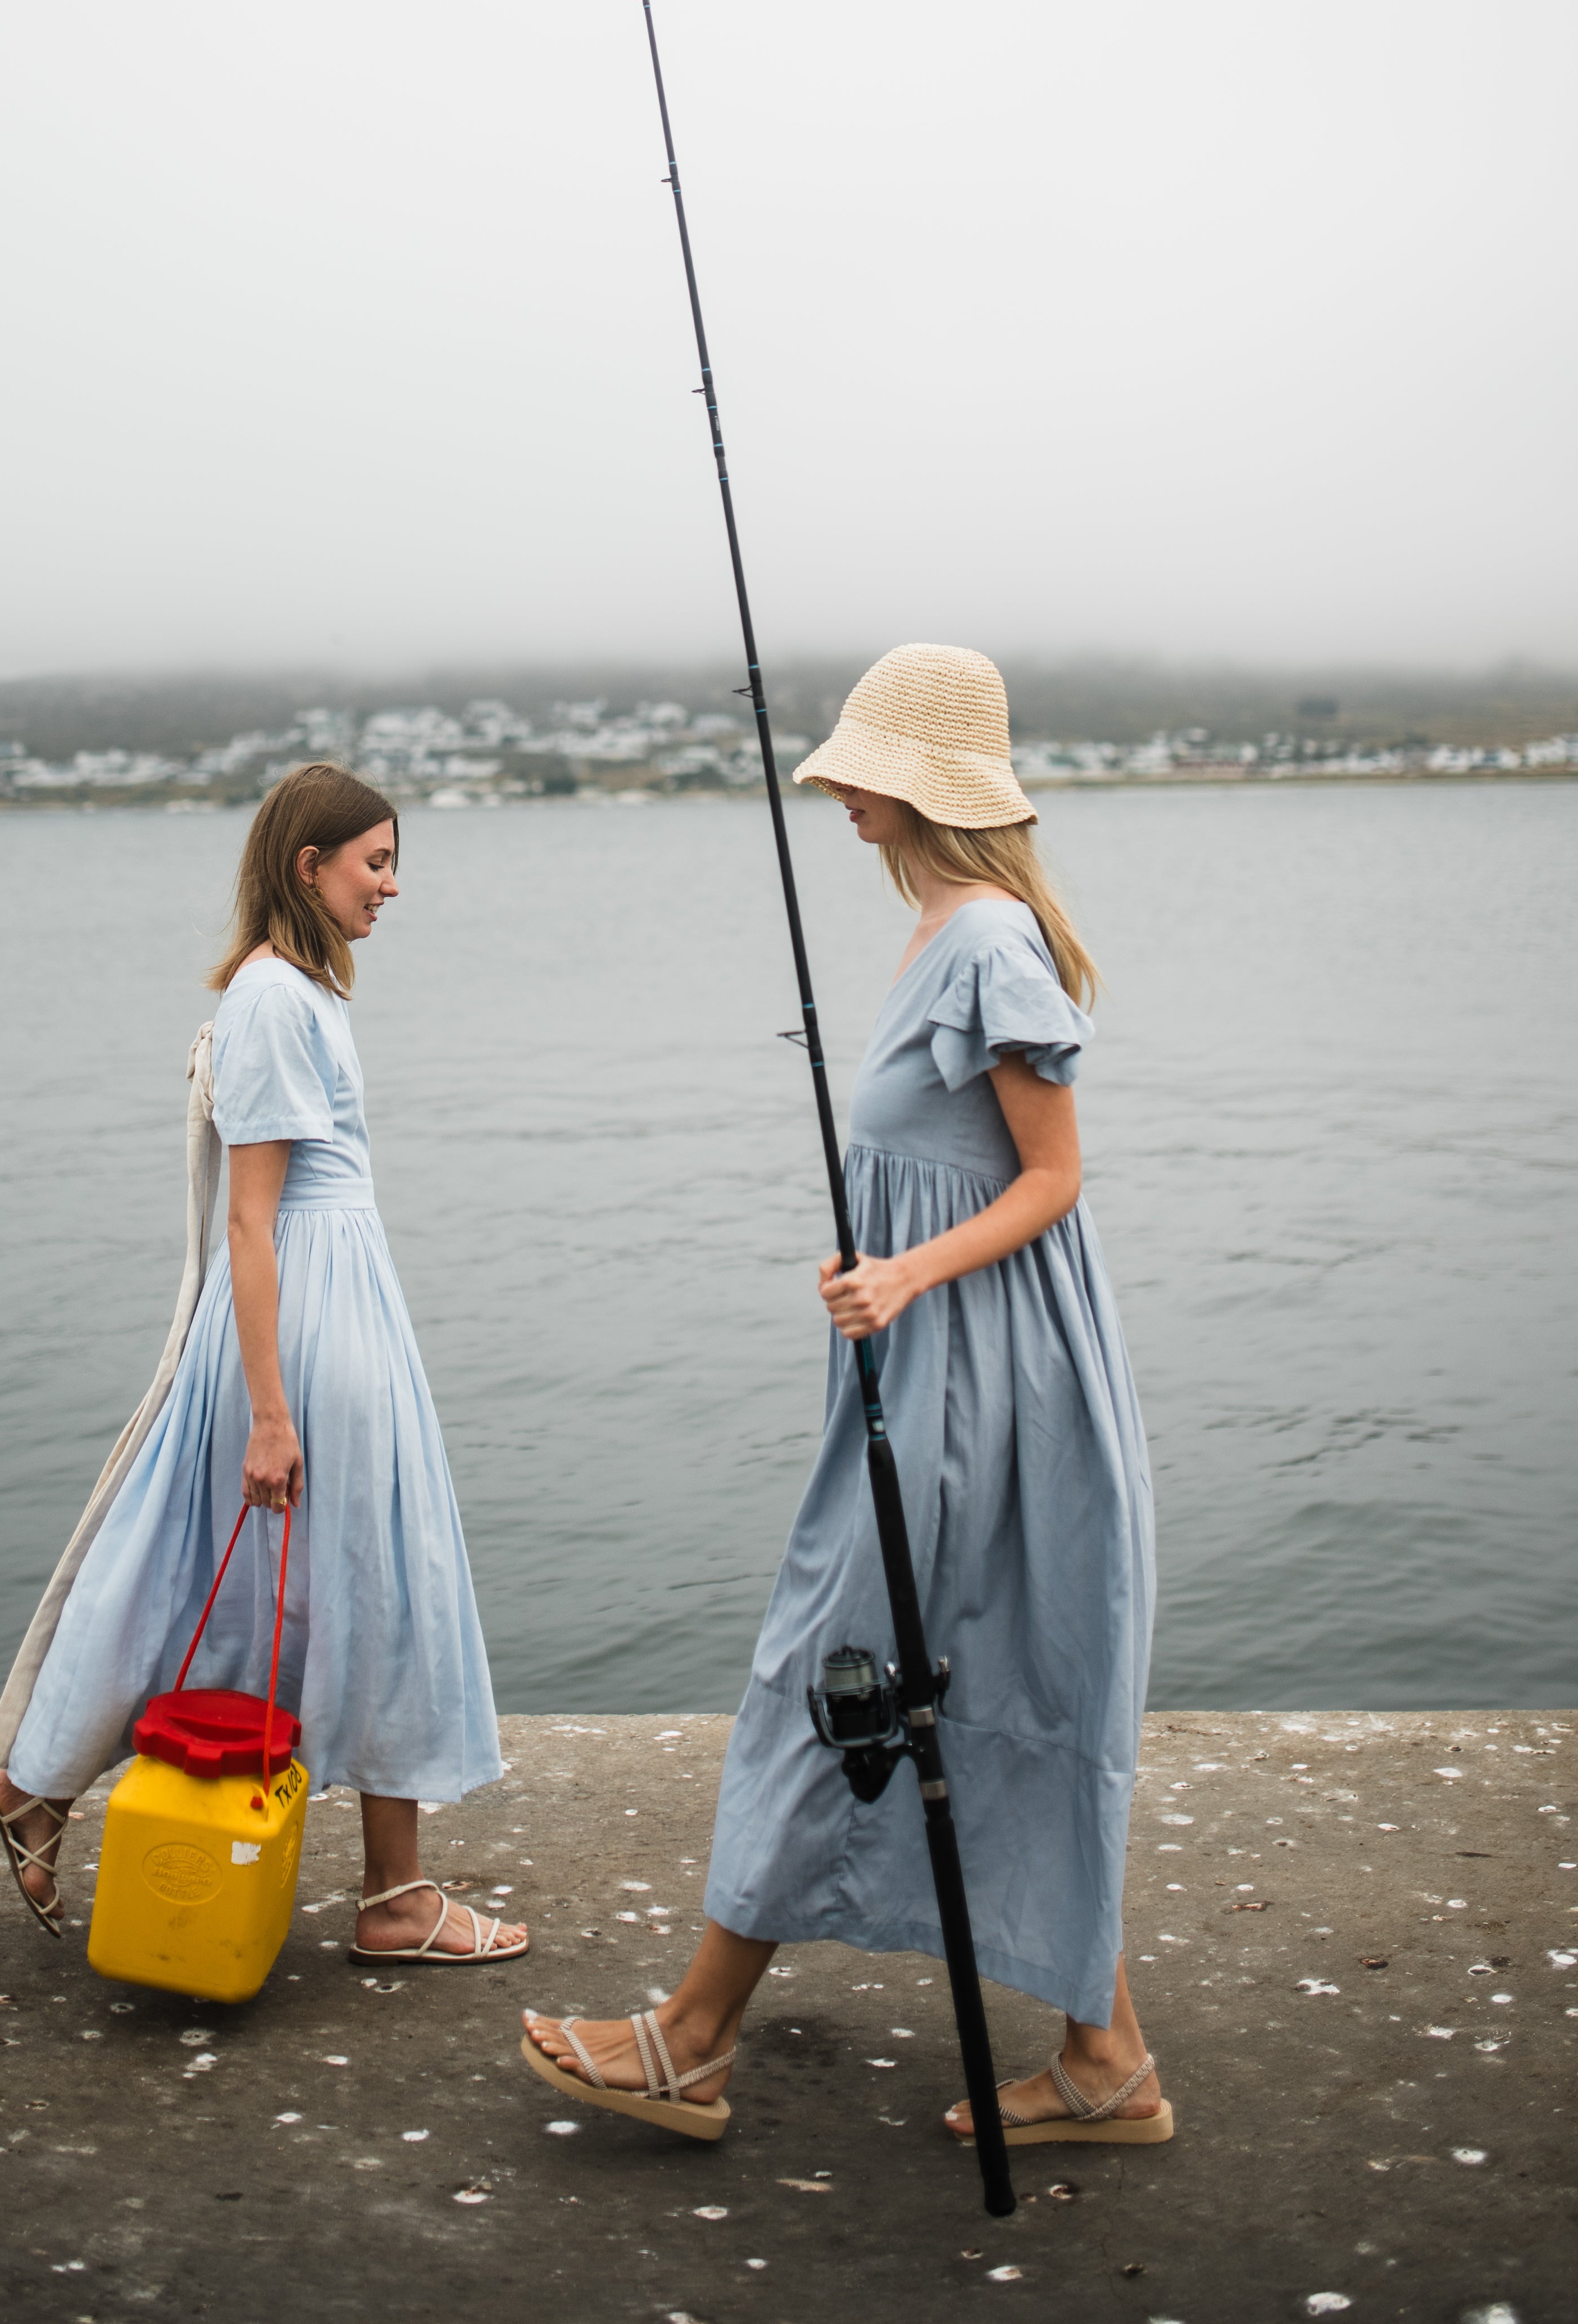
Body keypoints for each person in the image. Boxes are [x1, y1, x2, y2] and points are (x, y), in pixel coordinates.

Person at [522, 645, 1163, 2147]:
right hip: (928, 1364)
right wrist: (891, 1281)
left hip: (986, 1385)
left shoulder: (991, 943)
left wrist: (909, 1273)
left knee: (841, 1666)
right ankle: (1108, 2058)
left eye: (858, 765)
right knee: (960, 1680)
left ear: (917, 783)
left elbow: (1059, 1182)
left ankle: (691, 2038)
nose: (834, 787)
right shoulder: (938, 930)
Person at [0, 762, 526, 1969]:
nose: (391, 883)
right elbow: (250, 1216)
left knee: (227, 1576)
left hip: (333, 1296)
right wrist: (270, 1409)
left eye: (391, 859)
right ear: (306, 866)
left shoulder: (300, 995)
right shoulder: (275, 1000)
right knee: (369, 1577)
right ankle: (394, 1895)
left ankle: (43, 1785)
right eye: (374, 860)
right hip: (310, 1309)